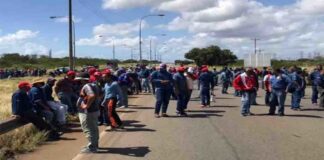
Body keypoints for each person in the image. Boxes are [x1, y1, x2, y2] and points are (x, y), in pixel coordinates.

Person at [76, 72, 100, 153]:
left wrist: (87, 105)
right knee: (94, 128)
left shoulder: (87, 86)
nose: (78, 81)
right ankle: (95, 144)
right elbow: (100, 95)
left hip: (87, 112)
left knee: (88, 129)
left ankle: (92, 147)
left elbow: (91, 95)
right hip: (94, 110)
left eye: (79, 80)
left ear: (83, 80)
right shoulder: (94, 85)